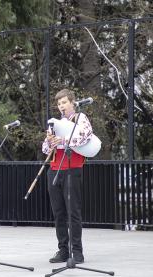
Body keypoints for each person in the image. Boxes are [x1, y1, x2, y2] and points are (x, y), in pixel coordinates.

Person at [42, 89, 93, 264]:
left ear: (72, 102)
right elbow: (45, 149)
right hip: (54, 169)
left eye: (64, 102)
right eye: (59, 104)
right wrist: (50, 141)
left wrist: (63, 140)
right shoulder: (55, 123)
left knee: (73, 212)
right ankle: (63, 249)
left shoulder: (80, 118)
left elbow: (85, 136)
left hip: (72, 168)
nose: (61, 106)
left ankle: (77, 251)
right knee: (59, 213)